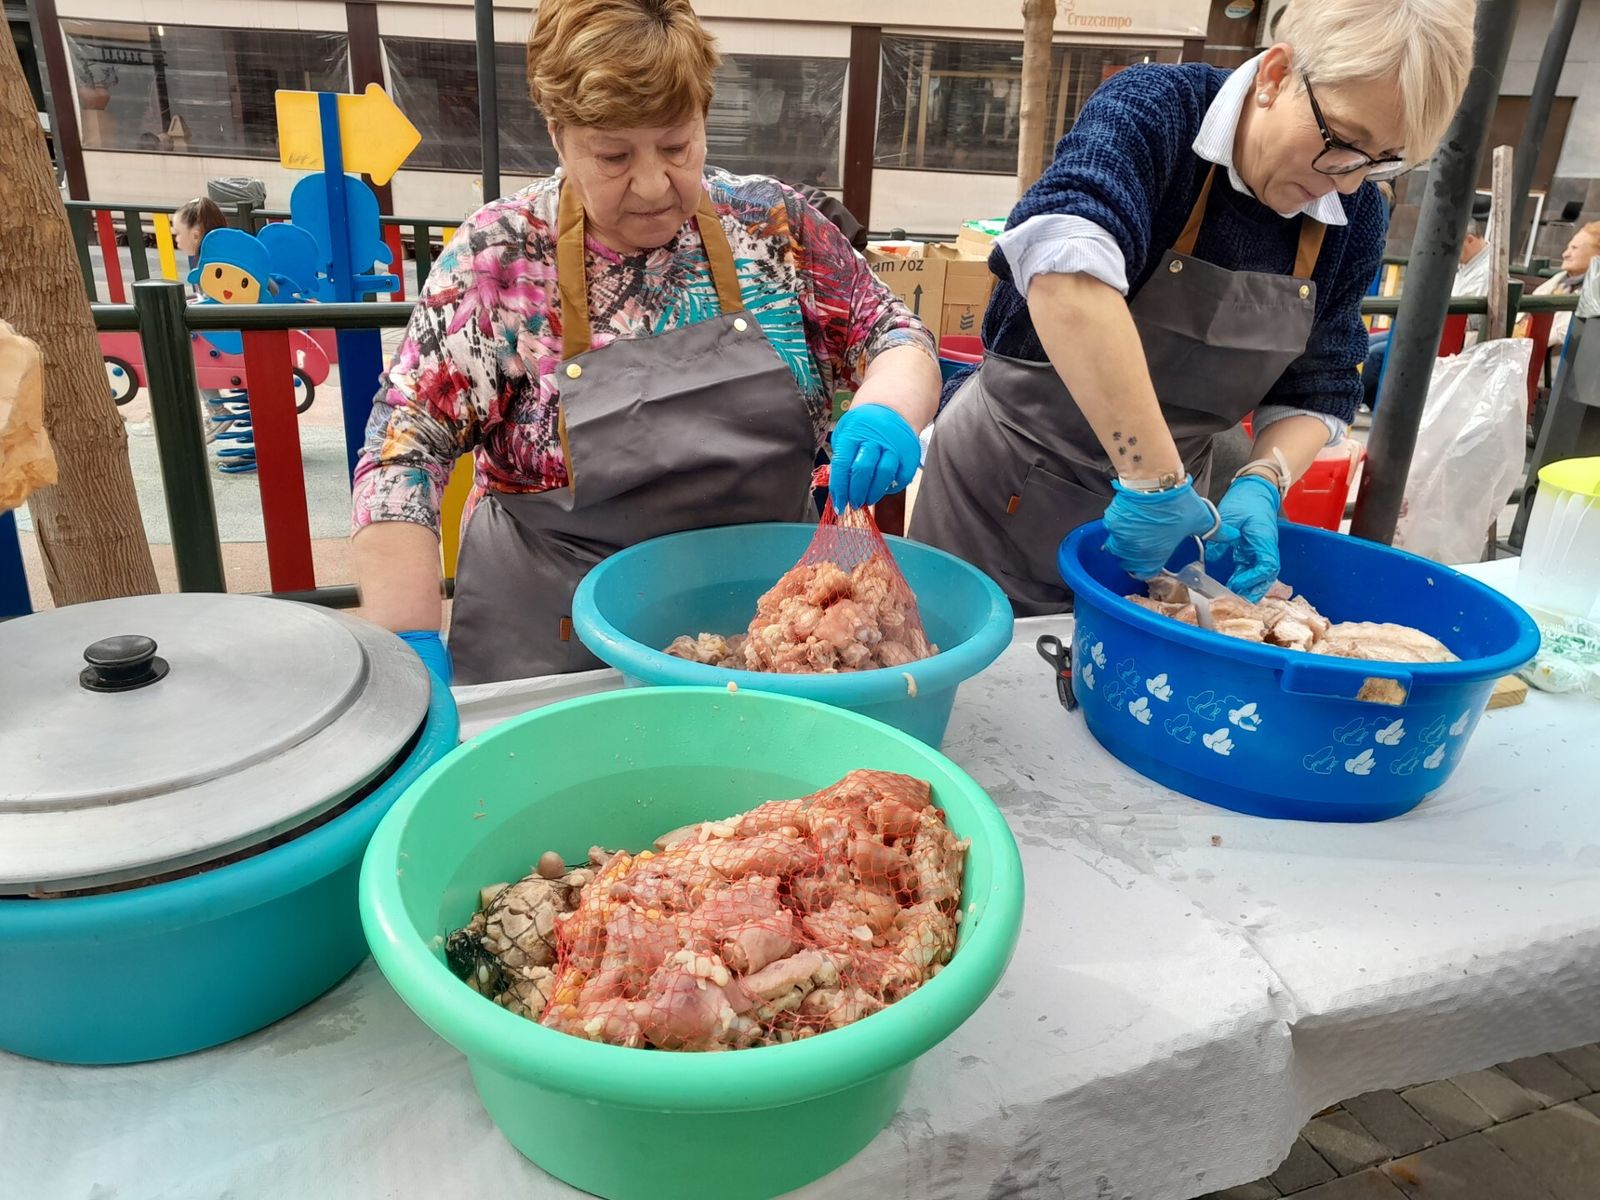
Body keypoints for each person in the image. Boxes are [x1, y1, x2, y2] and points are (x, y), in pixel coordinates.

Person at [351, 0, 939, 685]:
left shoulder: (774, 229)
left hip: (765, 636)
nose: (655, 184)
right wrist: (408, 647)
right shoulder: (500, 259)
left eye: (676, 146)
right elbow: (402, 453)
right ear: (558, 135)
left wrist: (889, 409)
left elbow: (891, 332)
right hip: (557, 644)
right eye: (613, 155)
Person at [908, 0, 1474, 611]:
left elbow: (1320, 386)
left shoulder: (1353, 216)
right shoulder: (1157, 112)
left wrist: (1265, 477)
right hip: (1005, 488)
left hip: (1174, 521)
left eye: (1383, 160)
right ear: (1276, 75)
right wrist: (1152, 480)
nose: (1347, 180)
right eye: (1343, 141)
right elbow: (1062, 268)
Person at [1522, 221, 1599, 354]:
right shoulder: (1559, 280)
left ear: (1597, 255)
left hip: (1555, 364)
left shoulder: (1594, 293)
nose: (1565, 254)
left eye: (1574, 248)